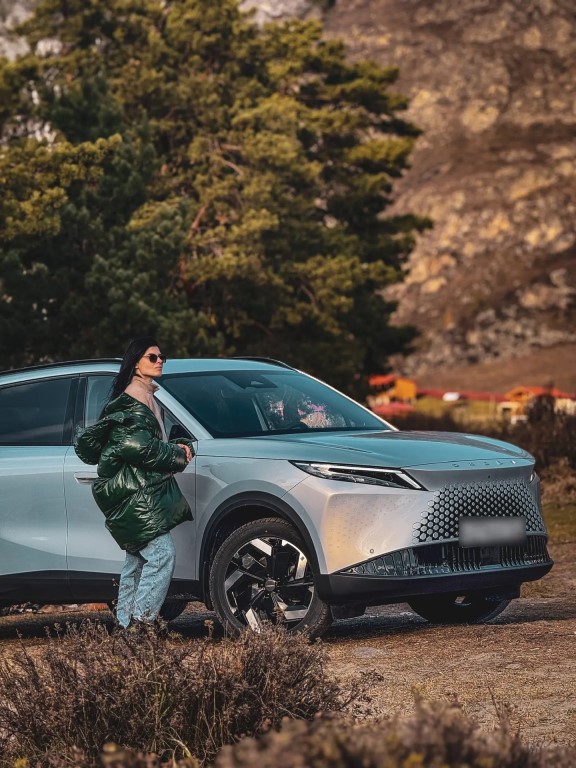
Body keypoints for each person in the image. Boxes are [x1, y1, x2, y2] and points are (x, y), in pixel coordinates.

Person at [74, 337, 194, 633]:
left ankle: (125, 624)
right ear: (136, 363)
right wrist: (179, 454)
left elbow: (150, 441)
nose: (160, 360)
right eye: (152, 357)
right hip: (135, 495)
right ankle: (141, 624)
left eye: (162, 356)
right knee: (162, 554)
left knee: (136, 561)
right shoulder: (133, 399)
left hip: (137, 491)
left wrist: (177, 444)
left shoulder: (146, 396)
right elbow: (139, 447)